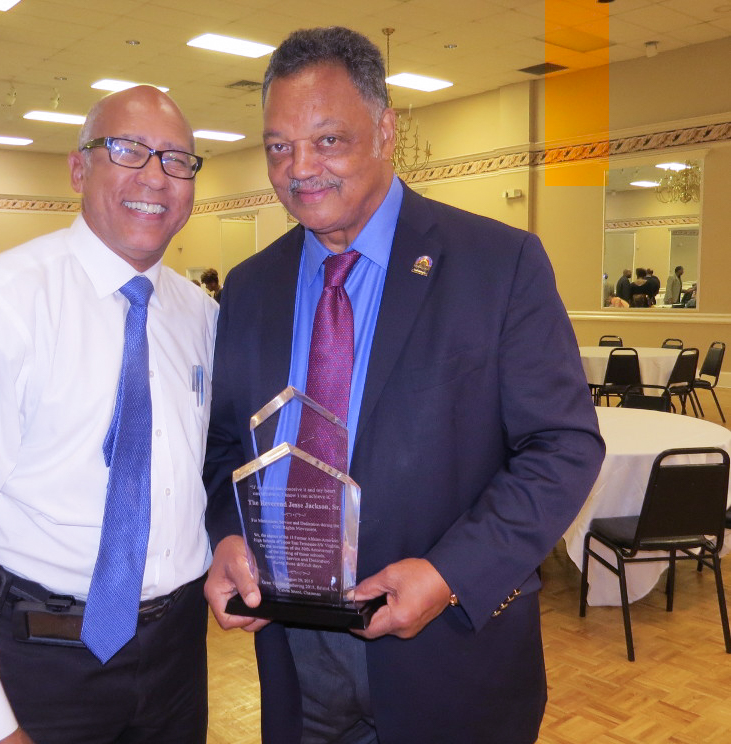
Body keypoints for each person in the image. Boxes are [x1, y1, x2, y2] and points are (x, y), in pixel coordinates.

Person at [202, 27, 605, 744]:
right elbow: (226, 444)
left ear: (386, 129)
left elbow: (563, 447)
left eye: (328, 140)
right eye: (278, 146)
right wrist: (228, 533)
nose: (300, 169)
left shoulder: (498, 263)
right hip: (296, 655)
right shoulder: (250, 287)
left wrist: (450, 573)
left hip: (449, 654)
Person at [0, 85, 218, 744]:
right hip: (42, 660)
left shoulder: (203, 317)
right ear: (79, 168)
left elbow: (210, 469)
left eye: (177, 159)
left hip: (178, 658)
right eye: (128, 150)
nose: (154, 177)